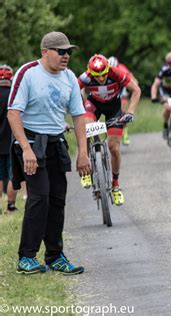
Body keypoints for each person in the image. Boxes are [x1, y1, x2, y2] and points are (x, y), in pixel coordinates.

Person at [8, 31, 91, 274]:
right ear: (46, 52)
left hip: (56, 143)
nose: (66, 56)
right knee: (39, 197)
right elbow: (13, 113)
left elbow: (78, 115)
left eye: (69, 52)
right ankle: (27, 257)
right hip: (32, 142)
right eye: (61, 51)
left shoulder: (69, 77)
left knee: (57, 199)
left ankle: (55, 256)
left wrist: (83, 153)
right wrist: (26, 149)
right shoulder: (28, 73)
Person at [78, 54, 141, 206]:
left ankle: (115, 184)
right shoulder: (85, 77)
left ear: (108, 69)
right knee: (86, 126)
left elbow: (136, 90)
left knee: (114, 147)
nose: (100, 78)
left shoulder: (116, 72)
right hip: (94, 105)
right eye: (96, 76)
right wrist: (79, 107)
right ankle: (86, 166)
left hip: (114, 108)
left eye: (103, 74)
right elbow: (72, 91)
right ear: (90, 73)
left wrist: (130, 112)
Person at [150, 51, 171, 139]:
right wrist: (153, 96)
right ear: (168, 64)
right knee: (167, 108)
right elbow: (155, 84)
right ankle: (165, 125)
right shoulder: (164, 70)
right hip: (165, 92)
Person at [108, 56, 139, 146]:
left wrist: (134, 85)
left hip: (122, 90)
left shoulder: (122, 68)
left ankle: (125, 132)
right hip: (112, 90)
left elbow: (133, 79)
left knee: (123, 112)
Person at [0, 65, 18, 213]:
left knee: (0, 176)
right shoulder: (14, 94)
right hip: (12, 141)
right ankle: (11, 205)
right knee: (13, 176)